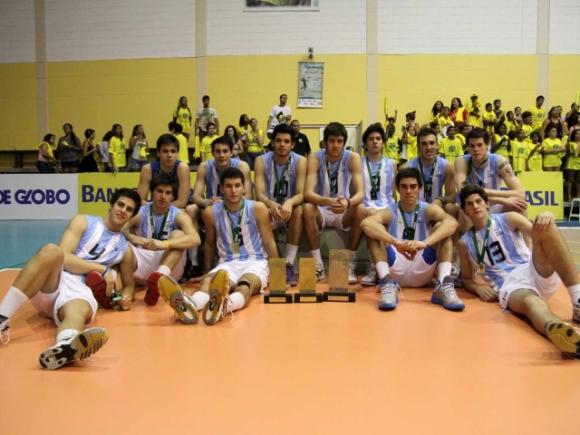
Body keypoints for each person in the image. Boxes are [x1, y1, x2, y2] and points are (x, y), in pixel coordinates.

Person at [0, 188, 141, 369]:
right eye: (120, 205)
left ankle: (65, 346)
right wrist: (103, 269)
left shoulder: (125, 249)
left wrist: (125, 297)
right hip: (56, 280)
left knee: (78, 311)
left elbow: (129, 285)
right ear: (111, 205)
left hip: (80, 292)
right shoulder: (84, 221)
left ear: (132, 216)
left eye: (129, 209)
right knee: (51, 251)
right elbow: (64, 257)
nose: (123, 210)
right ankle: (2, 317)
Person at [457, 185, 580, 357]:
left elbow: (540, 236)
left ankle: (577, 301)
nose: (475, 206)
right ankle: (562, 332)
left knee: (546, 225)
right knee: (531, 303)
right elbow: (467, 278)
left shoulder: (509, 218)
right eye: (469, 204)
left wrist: (546, 217)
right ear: (465, 211)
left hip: (531, 267)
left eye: (478, 201)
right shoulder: (464, 242)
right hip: (510, 284)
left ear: (487, 204)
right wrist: (478, 288)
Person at [159, 167, 278, 325]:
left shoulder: (258, 208)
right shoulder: (210, 212)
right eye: (228, 186)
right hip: (227, 262)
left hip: (255, 261)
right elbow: (209, 243)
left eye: (237, 185)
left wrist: (277, 273)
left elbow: (269, 241)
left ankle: (223, 307)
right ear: (221, 188)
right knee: (208, 283)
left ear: (244, 188)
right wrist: (207, 271)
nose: (233, 190)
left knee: (245, 285)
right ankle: (190, 306)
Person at [360, 167, 463, 311]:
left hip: (422, 264)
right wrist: (396, 242)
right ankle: (387, 284)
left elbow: (452, 223)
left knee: (442, 228)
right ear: (398, 189)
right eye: (404, 187)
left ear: (419, 188)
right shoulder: (390, 210)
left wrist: (425, 243)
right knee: (375, 232)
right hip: (395, 265)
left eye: (413, 186)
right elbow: (366, 224)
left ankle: (443, 285)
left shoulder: (428, 209)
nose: (408, 191)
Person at [112, 175, 199, 307]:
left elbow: (195, 238)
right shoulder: (141, 212)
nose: (163, 196)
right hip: (142, 263)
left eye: (168, 193)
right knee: (125, 246)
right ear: (152, 192)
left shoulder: (178, 214)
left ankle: (160, 275)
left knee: (179, 234)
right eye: (159, 191)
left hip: (169, 266)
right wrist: (134, 238)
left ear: (172, 196)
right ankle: (115, 296)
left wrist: (164, 244)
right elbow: (118, 228)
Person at [303, 122, 364, 281]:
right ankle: (318, 266)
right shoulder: (315, 157)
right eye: (331, 141)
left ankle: (350, 264)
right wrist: (328, 201)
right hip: (322, 209)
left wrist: (348, 203)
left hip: (343, 209)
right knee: (307, 207)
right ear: (325, 142)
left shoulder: (353, 157)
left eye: (339, 141)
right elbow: (308, 193)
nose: (335, 145)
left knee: (361, 208)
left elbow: (361, 194)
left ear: (344, 142)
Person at [255, 123, 307, 283]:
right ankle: (273, 266)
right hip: (269, 209)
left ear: (292, 144)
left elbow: (301, 194)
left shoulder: (301, 161)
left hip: (288, 211)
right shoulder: (260, 160)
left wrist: (289, 202)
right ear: (272, 142)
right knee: (259, 209)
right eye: (278, 141)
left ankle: (289, 264)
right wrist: (271, 204)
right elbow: (259, 194)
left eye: (286, 141)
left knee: (299, 210)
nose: (282, 144)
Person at [349, 123, 397, 286]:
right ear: (365, 144)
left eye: (378, 138)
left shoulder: (392, 164)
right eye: (371, 139)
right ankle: (351, 264)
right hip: (366, 204)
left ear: (383, 142)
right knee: (362, 211)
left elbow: (393, 191)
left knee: (375, 218)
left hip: (386, 206)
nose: (375, 142)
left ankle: (374, 267)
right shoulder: (358, 163)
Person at [455, 128, 526, 214]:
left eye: (479, 145)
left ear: (487, 145)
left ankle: (525, 224)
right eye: (472, 146)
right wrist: (501, 199)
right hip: (472, 205)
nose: (476, 149)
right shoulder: (462, 161)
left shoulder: (500, 161)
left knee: (520, 202)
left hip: (494, 205)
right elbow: (463, 191)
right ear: (468, 147)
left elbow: (520, 193)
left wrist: (484, 191)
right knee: (452, 207)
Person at [404, 127, 455, 208]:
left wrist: (440, 200)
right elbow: (404, 197)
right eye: (424, 144)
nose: (428, 147)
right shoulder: (407, 168)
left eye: (432, 143)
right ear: (418, 147)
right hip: (414, 209)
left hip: (436, 209)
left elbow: (451, 197)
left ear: (437, 145)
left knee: (450, 208)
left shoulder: (447, 166)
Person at [137, 133, 191, 209]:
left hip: (177, 208)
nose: (169, 155)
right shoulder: (148, 169)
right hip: (155, 208)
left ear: (177, 153)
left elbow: (182, 202)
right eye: (165, 151)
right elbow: (140, 200)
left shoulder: (182, 168)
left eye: (173, 151)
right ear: (158, 153)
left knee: (191, 210)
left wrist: (160, 209)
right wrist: (157, 209)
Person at [565, 129, 580, 201]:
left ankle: (578, 195)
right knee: (570, 180)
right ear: (574, 135)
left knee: (578, 181)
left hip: (579, 164)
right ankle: (569, 195)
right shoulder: (570, 143)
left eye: (579, 133)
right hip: (571, 164)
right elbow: (567, 154)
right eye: (577, 133)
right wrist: (572, 153)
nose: (578, 135)